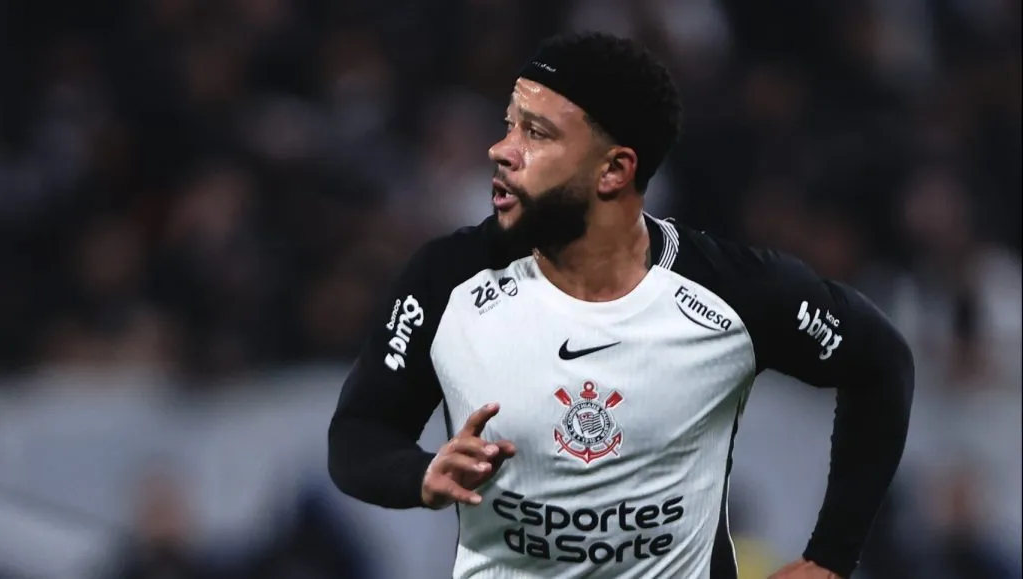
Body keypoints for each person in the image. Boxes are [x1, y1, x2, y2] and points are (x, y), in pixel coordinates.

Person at [328, 32, 914, 579]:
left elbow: (881, 362)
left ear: (614, 170)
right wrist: (420, 475)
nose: (500, 150)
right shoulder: (447, 278)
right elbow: (359, 433)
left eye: (536, 134)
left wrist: (831, 557)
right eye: (509, 125)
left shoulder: (732, 294)